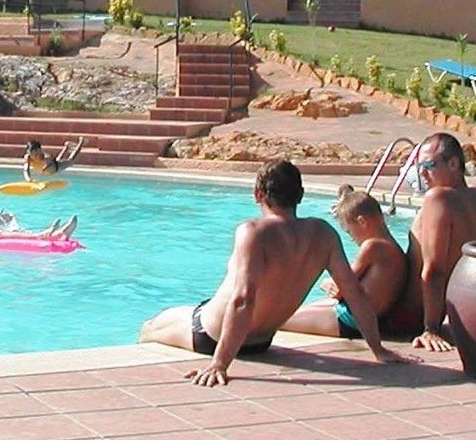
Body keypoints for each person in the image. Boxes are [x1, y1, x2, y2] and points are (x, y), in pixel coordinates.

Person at [139, 160, 402, 385]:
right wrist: (378, 349)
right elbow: (355, 293)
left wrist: (219, 364)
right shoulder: (323, 234)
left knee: (149, 327)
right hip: (261, 342)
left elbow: (243, 299)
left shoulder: (253, 232)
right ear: (300, 195)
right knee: (186, 312)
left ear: (258, 194)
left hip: (210, 336)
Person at [278, 186, 421, 342]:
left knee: (278, 321)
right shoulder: (394, 248)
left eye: (349, 231)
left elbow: (341, 288)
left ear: (362, 222)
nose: (351, 238)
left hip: (350, 321)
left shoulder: (372, 246)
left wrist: (327, 284)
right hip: (364, 316)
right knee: (292, 311)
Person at [404, 133, 476, 354]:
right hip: (454, 311)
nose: (422, 174)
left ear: (453, 164)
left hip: (407, 314)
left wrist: (430, 329)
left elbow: (434, 269)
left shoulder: (438, 198)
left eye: (429, 165)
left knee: (319, 316)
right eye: (419, 167)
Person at [22, 137, 86, 179]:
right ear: (28, 152)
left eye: (36, 152)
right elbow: (26, 170)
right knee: (58, 160)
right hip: (53, 166)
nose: (34, 155)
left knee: (71, 161)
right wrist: (28, 179)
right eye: (31, 153)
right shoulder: (28, 157)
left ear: (40, 150)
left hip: (57, 167)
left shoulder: (45, 156)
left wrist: (43, 169)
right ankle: (66, 147)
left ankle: (81, 142)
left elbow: (48, 163)